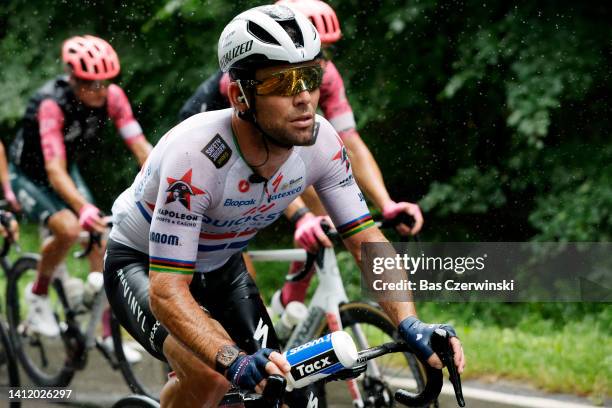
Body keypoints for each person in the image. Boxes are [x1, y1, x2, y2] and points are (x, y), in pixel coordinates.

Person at [104, 5, 464, 407]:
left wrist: (410, 323)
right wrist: (232, 361)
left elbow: (366, 242)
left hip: (221, 265)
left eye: (311, 78)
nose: (305, 97)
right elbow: (168, 291)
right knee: (210, 376)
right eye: (283, 83)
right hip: (142, 262)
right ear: (239, 95)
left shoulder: (323, 143)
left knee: (284, 390)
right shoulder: (197, 156)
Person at [179, 0, 424, 312]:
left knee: (324, 207)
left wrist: (386, 204)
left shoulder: (327, 74)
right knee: (232, 239)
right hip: (222, 151)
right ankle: (253, 316)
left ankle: (290, 301)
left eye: (325, 53)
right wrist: (299, 215)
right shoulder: (247, 78)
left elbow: (351, 143)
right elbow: (262, 164)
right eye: (314, 54)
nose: (321, 65)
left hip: (275, 147)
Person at [9, 35, 151, 362]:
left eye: (106, 83)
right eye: (92, 84)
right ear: (74, 80)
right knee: (70, 228)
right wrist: (82, 207)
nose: (101, 91)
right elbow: (54, 169)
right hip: (31, 174)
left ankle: (104, 333)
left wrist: (166, 178)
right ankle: (38, 294)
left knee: (100, 234)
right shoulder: (50, 104)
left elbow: (141, 147)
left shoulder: (113, 97)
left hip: (63, 170)